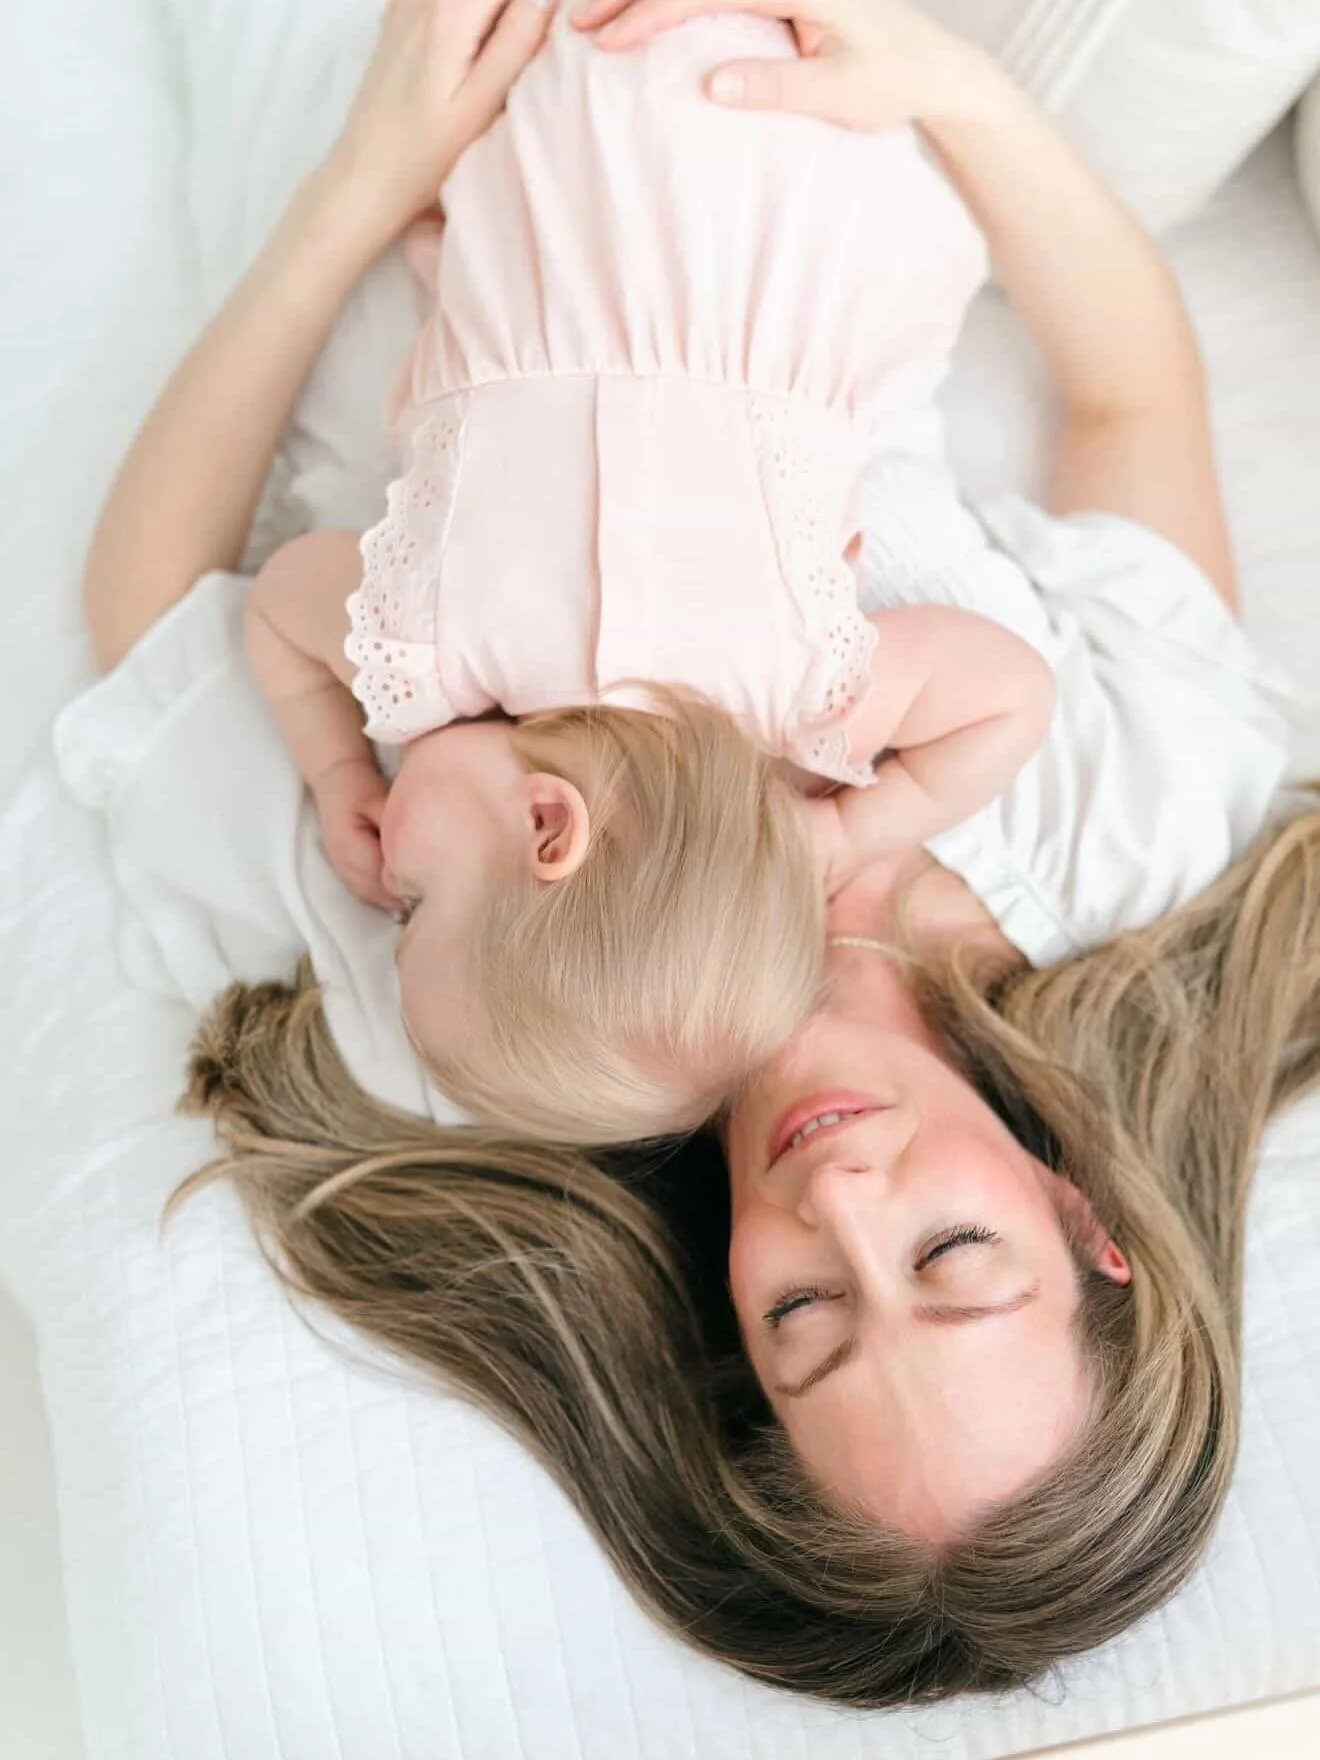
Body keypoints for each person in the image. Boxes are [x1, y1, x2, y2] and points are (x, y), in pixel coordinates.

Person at [88, 0, 1307, 1711]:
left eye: (806, 1318)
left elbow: (145, 616)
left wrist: (368, 174)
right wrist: (939, 83)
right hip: (788, 154)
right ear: (1083, 1216)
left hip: (388, 130)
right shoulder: (1129, 816)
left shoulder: (479, 1025)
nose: (838, 1202)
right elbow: (1128, 394)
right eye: (954, 1265)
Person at [239, 7, 1055, 1142]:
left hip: (787, 173)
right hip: (573, 144)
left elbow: (1012, 695)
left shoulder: (787, 693)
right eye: (415, 908)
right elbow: (279, 601)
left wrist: (855, 828)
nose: (382, 878)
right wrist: (334, 768)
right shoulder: (418, 653)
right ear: (545, 827)